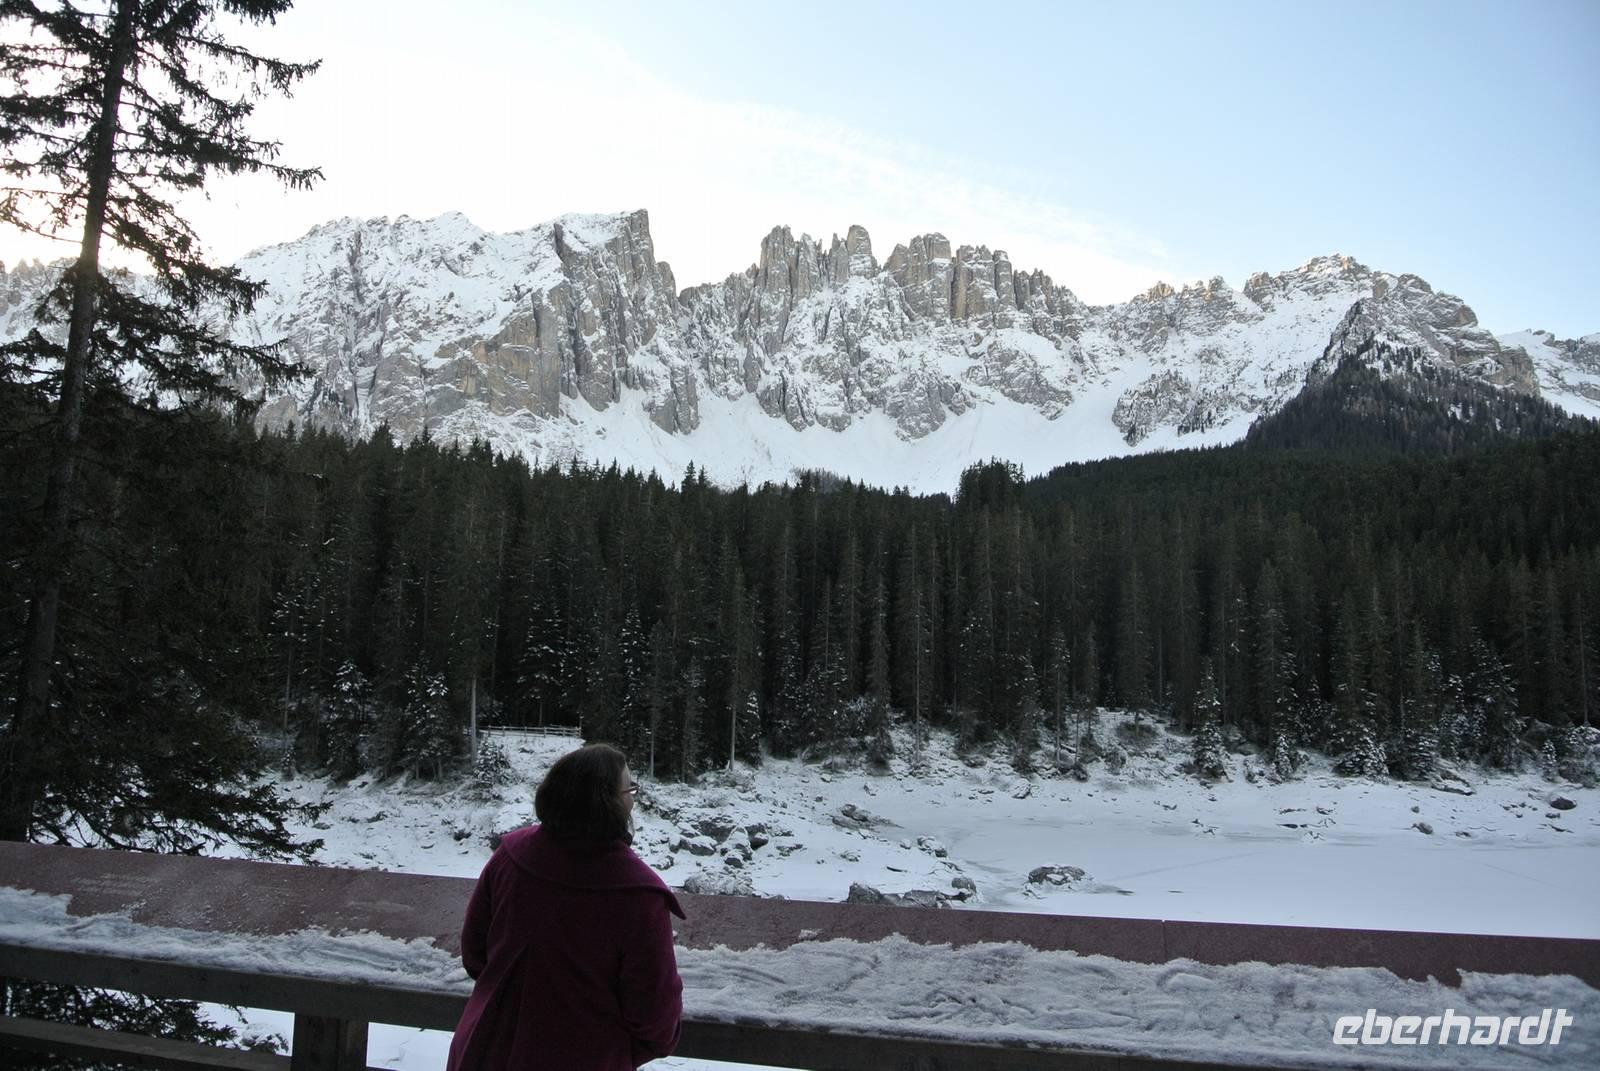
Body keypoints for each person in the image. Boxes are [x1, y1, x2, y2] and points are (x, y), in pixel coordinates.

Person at [446, 743, 684, 1071]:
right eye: (629, 788)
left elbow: (475, 955)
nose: (633, 797)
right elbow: (655, 1017)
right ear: (610, 802)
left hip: (484, 1049)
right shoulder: (639, 895)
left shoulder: (511, 854)